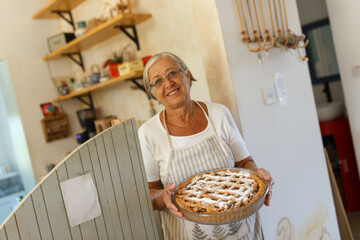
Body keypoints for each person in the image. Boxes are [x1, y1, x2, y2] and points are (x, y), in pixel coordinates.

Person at [138, 52, 274, 240]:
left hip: (242, 232)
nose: (168, 83)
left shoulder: (219, 114)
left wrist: (258, 174)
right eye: (158, 81)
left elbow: (245, 163)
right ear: (152, 92)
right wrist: (163, 197)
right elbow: (149, 194)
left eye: (172, 73)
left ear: (187, 75)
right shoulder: (149, 133)